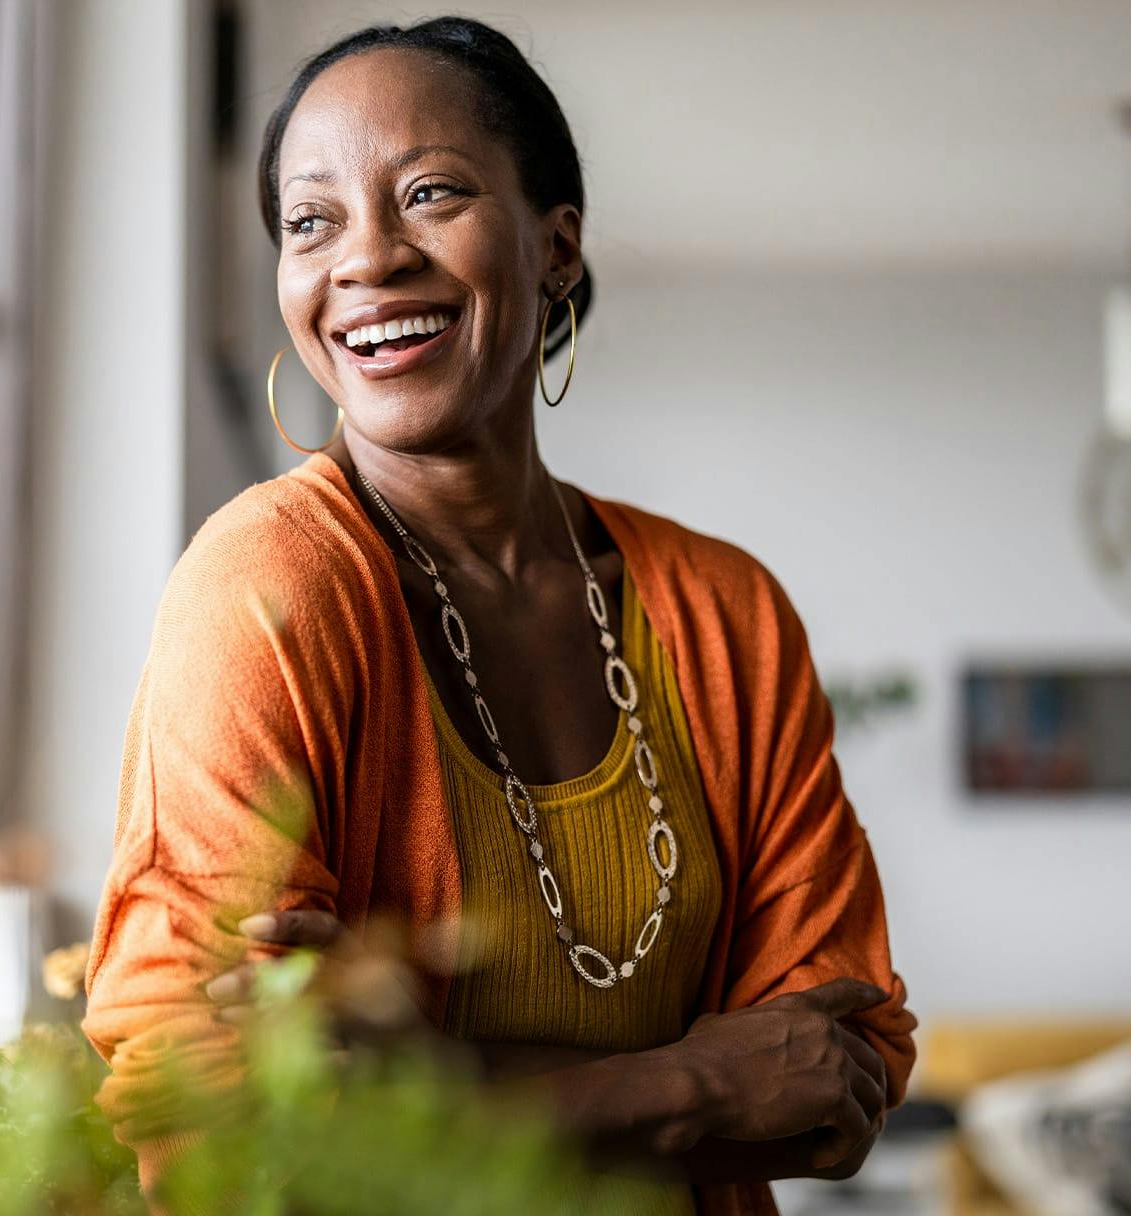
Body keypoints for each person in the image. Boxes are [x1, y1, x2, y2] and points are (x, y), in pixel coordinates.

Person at [82, 16, 917, 1215]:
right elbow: (209, 1126)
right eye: (310, 221)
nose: (367, 258)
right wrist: (691, 1083)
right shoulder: (266, 584)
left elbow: (837, 1075)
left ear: (554, 247)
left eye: (429, 194)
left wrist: (424, 1081)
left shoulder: (724, 612)